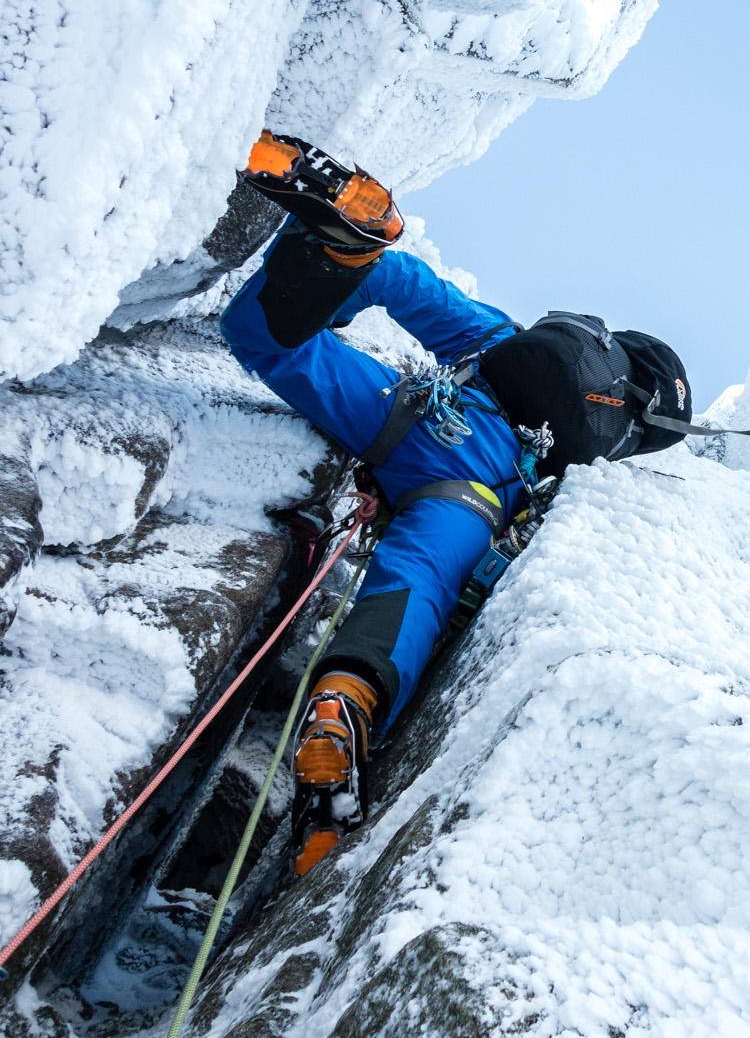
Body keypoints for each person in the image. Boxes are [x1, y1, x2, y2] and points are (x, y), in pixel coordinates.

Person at [220, 132, 530, 874]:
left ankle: (338, 243)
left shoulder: (507, 339)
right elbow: (417, 582)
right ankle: (342, 708)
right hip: (471, 487)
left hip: (428, 406)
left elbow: (406, 285)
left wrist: (344, 294)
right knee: (413, 581)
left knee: (273, 342)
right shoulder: (563, 456)